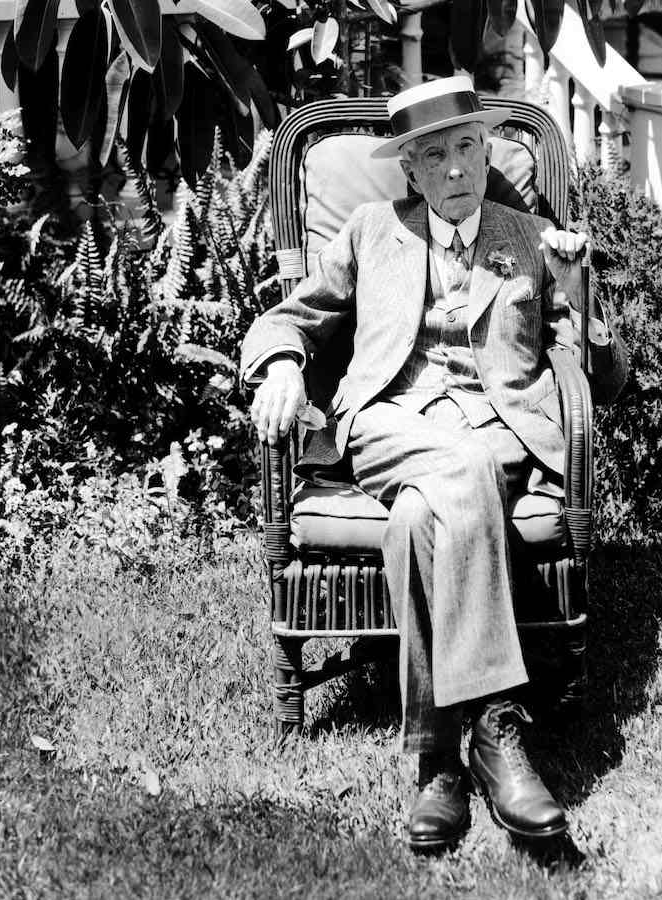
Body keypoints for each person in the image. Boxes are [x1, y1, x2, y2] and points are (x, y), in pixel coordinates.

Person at [241, 76, 628, 851]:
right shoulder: (369, 229)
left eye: (465, 148)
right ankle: (500, 728)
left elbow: (606, 382)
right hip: (386, 422)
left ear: (485, 152)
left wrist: (583, 291)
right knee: (456, 469)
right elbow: (289, 316)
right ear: (410, 172)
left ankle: (438, 766)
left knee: (422, 517)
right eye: (432, 156)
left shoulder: (530, 241)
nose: (454, 169)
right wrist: (282, 364)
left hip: (498, 433)